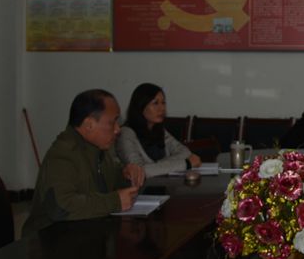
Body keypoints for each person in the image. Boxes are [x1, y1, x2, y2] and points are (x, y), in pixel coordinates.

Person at [22, 89, 145, 235]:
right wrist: (115, 202)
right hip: (49, 239)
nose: (118, 130)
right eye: (112, 122)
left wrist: (128, 175)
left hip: (84, 232)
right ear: (89, 124)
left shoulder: (99, 150)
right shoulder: (63, 154)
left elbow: (113, 182)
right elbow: (61, 207)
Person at [117, 83, 202, 177]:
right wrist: (186, 164)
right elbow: (140, 171)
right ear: (140, 106)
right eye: (155, 103)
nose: (162, 108)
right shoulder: (125, 134)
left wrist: (156, 167)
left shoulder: (159, 130)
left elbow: (185, 153)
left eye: (163, 103)